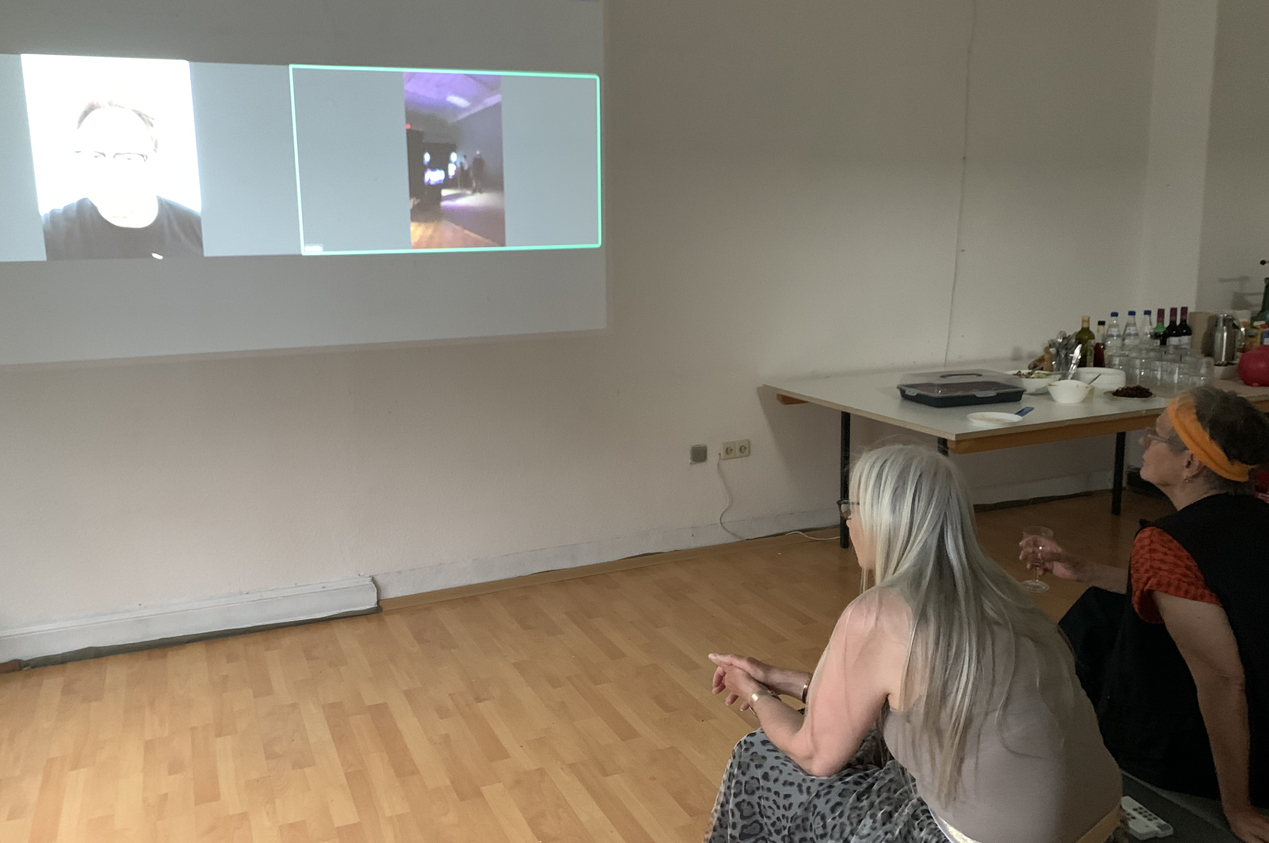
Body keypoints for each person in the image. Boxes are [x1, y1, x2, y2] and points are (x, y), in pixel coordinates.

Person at [708, 445, 1122, 843]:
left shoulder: (879, 613)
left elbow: (816, 755)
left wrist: (757, 695)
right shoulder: (1004, 593)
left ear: (886, 519)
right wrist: (775, 677)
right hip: (1101, 817)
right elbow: (886, 702)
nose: (848, 521)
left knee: (760, 755)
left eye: (852, 508)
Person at [1023, 387, 1269, 843]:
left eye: (1155, 436)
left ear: (1190, 462)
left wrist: (1238, 809)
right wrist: (1083, 570)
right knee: (1101, 603)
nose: (1142, 442)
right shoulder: (1255, 515)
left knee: (1089, 631)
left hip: (1196, 757)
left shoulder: (1165, 542)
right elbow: (1198, 594)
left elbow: (1221, 680)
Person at [42, 100, 203, 260]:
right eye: (95, 156)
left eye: (127, 157)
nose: (109, 169)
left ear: (153, 162)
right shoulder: (49, 235)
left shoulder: (199, 233)